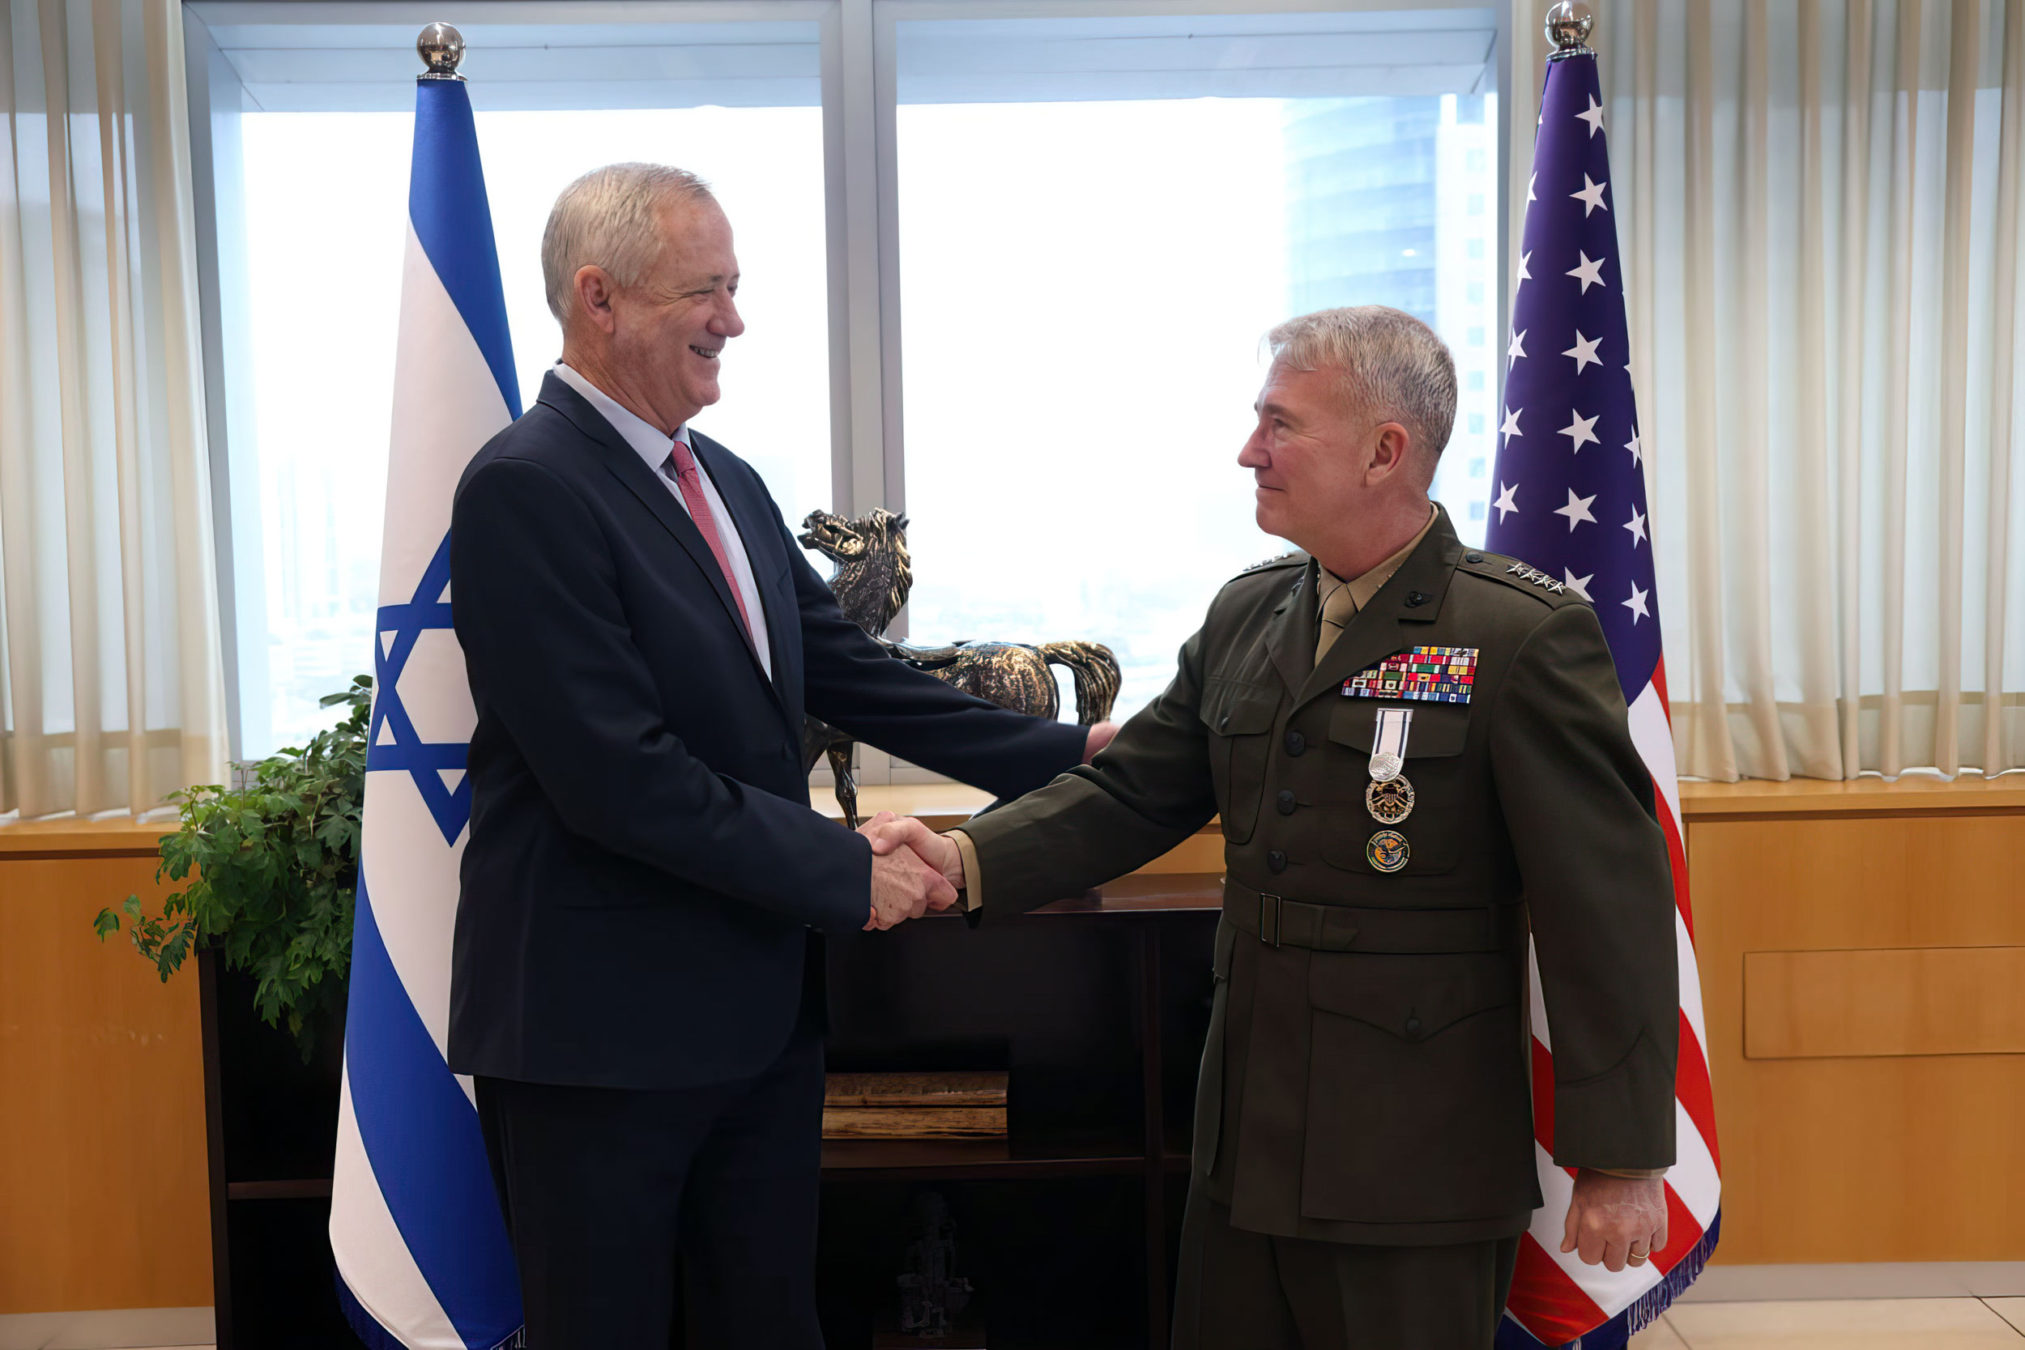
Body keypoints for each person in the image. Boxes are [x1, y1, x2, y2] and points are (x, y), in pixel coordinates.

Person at [872, 306, 1678, 1350]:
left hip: (1413, 1154)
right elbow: (1136, 792)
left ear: (1386, 451)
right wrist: (967, 858)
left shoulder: (1518, 637)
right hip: (1247, 1137)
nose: (1249, 451)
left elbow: (1604, 910)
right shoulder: (1250, 613)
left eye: (1280, 425)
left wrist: (1619, 1158)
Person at [447, 162, 1113, 1348]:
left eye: (736, 287)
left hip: (752, 1024)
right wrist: (843, 871)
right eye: (704, 290)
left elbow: (854, 674)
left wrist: (1074, 758)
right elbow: (619, 777)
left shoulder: (726, 482)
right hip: (597, 1043)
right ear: (597, 300)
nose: (734, 321)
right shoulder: (524, 488)